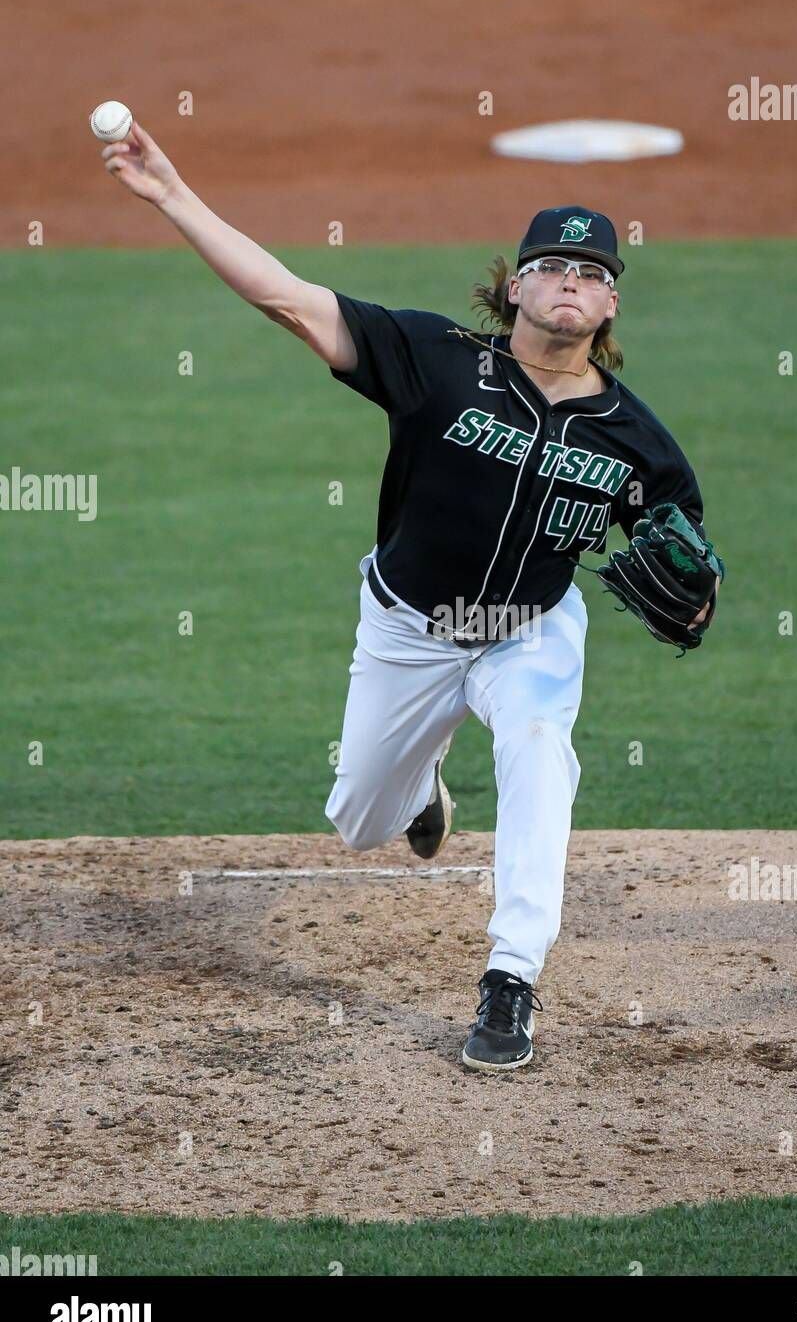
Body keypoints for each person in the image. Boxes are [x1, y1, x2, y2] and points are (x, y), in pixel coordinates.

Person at [101, 123, 717, 1074]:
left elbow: (686, 561)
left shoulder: (637, 440)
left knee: (539, 748)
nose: (569, 282)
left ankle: (510, 982)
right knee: (360, 820)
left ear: (608, 303)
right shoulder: (436, 359)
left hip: (530, 634)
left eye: (591, 273)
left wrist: (701, 601)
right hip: (408, 630)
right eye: (550, 265)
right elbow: (287, 301)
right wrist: (173, 195)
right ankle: (421, 787)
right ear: (513, 286)